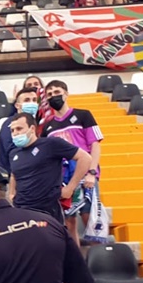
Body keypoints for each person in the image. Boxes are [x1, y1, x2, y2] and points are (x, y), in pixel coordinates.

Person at [41, 80, 104, 242]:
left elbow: (95, 145)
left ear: (66, 93)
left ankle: (99, 259)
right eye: (49, 94)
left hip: (85, 174)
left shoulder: (84, 115)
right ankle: (77, 262)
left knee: (90, 218)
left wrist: (91, 172)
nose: (53, 96)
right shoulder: (48, 127)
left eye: (57, 92)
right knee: (69, 222)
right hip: (62, 179)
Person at [7, 112, 91, 224]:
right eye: (12, 130)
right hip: (21, 211)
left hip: (48, 210)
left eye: (19, 129)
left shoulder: (51, 144)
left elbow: (85, 158)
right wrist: (11, 194)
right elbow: (14, 174)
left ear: (32, 128)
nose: (15, 133)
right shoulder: (13, 153)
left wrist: (70, 188)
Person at [0, 87, 40, 172]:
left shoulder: (39, 122)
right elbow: (12, 151)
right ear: (17, 105)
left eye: (34, 100)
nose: (32, 103)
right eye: (27, 100)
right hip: (12, 173)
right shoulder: (10, 124)